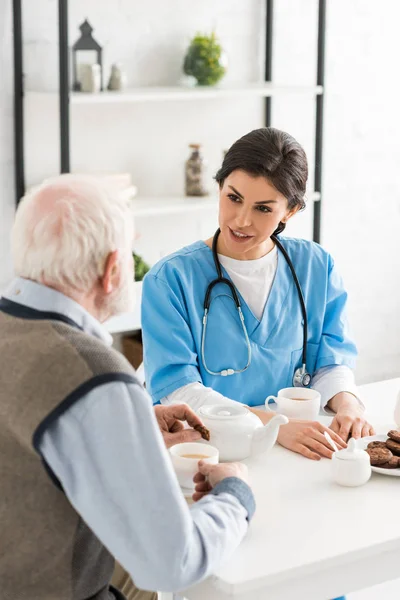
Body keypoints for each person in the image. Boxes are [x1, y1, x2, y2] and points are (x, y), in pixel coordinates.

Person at [0, 175, 256, 600]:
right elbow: (173, 563)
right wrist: (235, 493)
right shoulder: (92, 375)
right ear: (113, 269)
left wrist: (122, 423)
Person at [141, 127, 375, 462]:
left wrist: (348, 404)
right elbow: (179, 392)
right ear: (219, 187)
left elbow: (329, 360)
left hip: (296, 451)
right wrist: (274, 426)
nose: (241, 220)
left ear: (290, 211)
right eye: (233, 198)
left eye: (263, 208)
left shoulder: (315, 266)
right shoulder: (170, 280)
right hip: (210, 453)